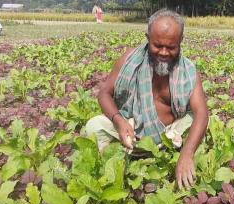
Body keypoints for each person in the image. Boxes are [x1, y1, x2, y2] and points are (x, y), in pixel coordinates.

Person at [86, 9, 209, 190]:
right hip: (130, 134)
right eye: (157, 45)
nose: (164, 53)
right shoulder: (129, 59)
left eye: (171, 47)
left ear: (180, 41)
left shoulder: (189, 71)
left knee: (202, 123)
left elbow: (201, 113)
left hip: (169, 136)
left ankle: (172, 155)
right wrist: (119, 121)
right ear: (147, 37)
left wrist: (187, 154)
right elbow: (104, 93)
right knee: (93, 126)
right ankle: (119, 158)